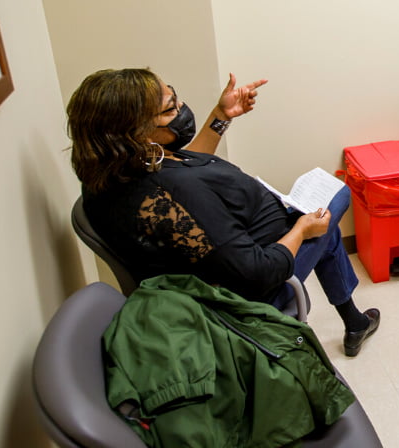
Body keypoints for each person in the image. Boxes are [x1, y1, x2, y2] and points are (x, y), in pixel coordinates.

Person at [66, 68, 379, 357]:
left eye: (174, 96)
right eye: (170, 108)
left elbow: (189, 165)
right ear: (136, 132)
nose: (181, 108)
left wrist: (220, 117)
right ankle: (353, 321)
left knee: (324, 227)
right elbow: (257, 274)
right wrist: (301, 230)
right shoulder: (171, 195)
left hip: (229, 259)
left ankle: (353, 322)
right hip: (256, 289)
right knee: (336, 198)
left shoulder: (113, 171)